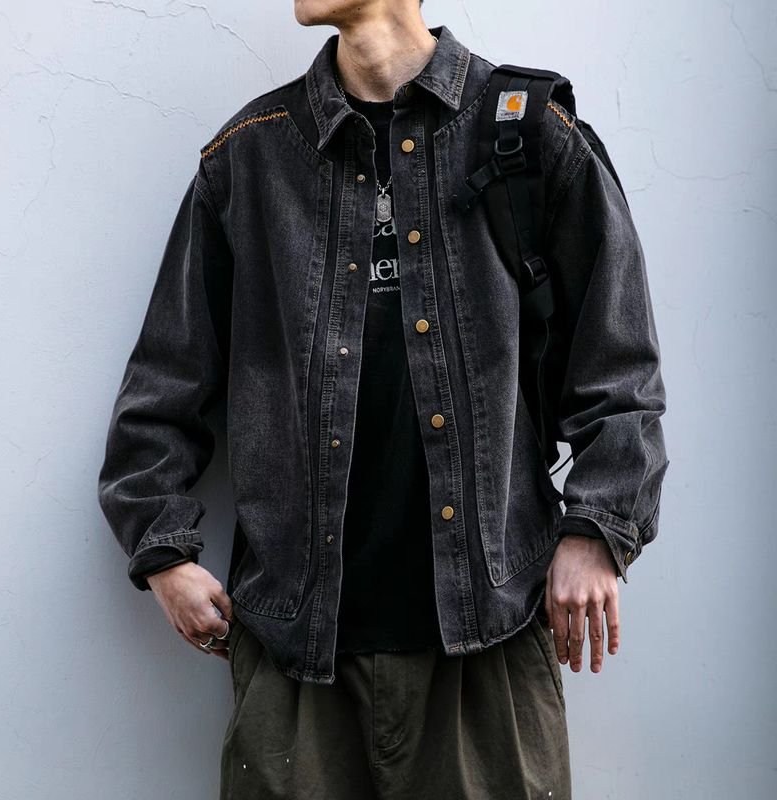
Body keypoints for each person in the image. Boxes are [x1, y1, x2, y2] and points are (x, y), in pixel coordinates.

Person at [97, 1, 669, 797]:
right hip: (297, 661)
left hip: (490, 640)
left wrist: (599, 529)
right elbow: (164, 383)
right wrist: (163, 550)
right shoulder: (249, 158)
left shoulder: (530, 132)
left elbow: (621, 368)